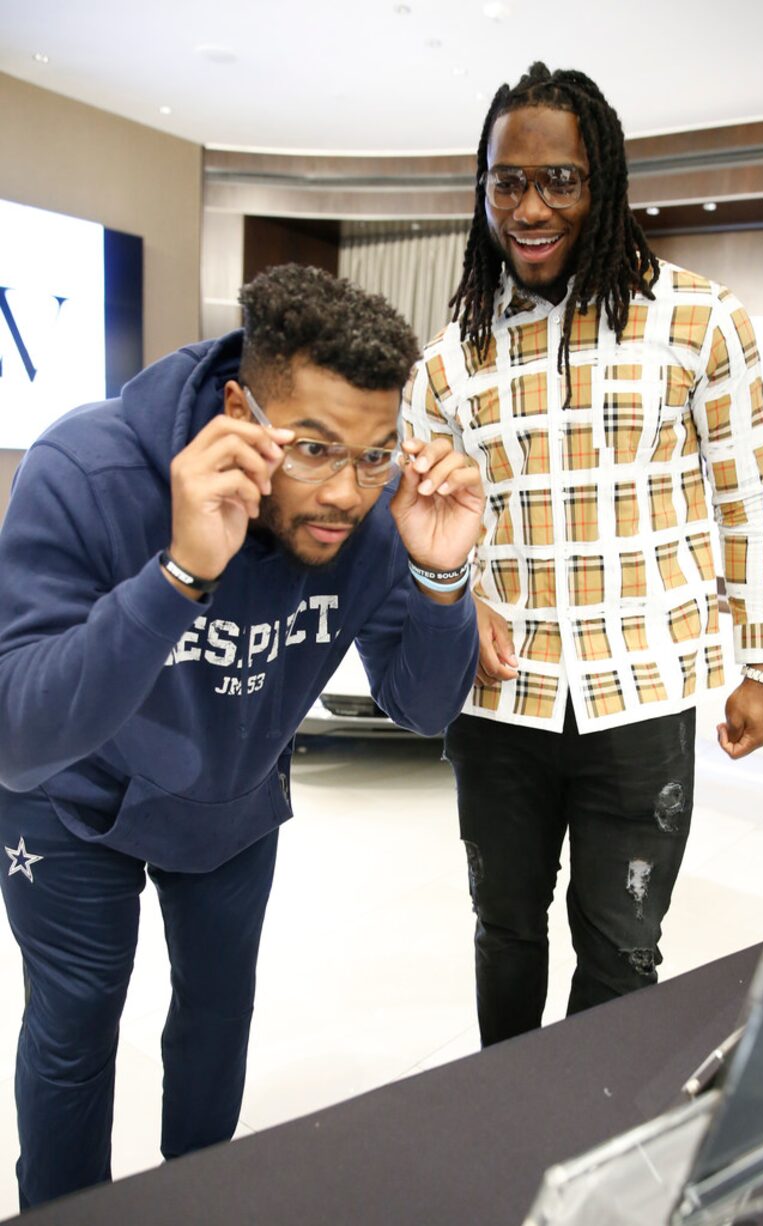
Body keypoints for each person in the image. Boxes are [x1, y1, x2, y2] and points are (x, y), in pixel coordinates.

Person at [0, 263, 484, 1208]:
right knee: (74, 1028)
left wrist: (440, 578)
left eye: (376, 451)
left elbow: (424, 708)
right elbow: (18, 736)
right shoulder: (88, 469)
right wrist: (178, 574)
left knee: (216, 1020)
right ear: (237, 409)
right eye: (313, 447)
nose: (346, 491)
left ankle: (199, 1200)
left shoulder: (375, 515)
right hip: (67, 804)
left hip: (229, 798)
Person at [402, 63, 763, 1047]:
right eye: (505, 182)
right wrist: (453, 597)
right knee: (503, 932)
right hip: (497, 704)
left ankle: (589, 1146)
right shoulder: (453, 356)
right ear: (481, 189)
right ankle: (505, 1124)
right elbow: (403, 525)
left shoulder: (697, 321)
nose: (528, 207)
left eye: (558, 180)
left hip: (641, 697)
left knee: (621, 950)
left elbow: (748, 497)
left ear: (602, 183)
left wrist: (757, 665)